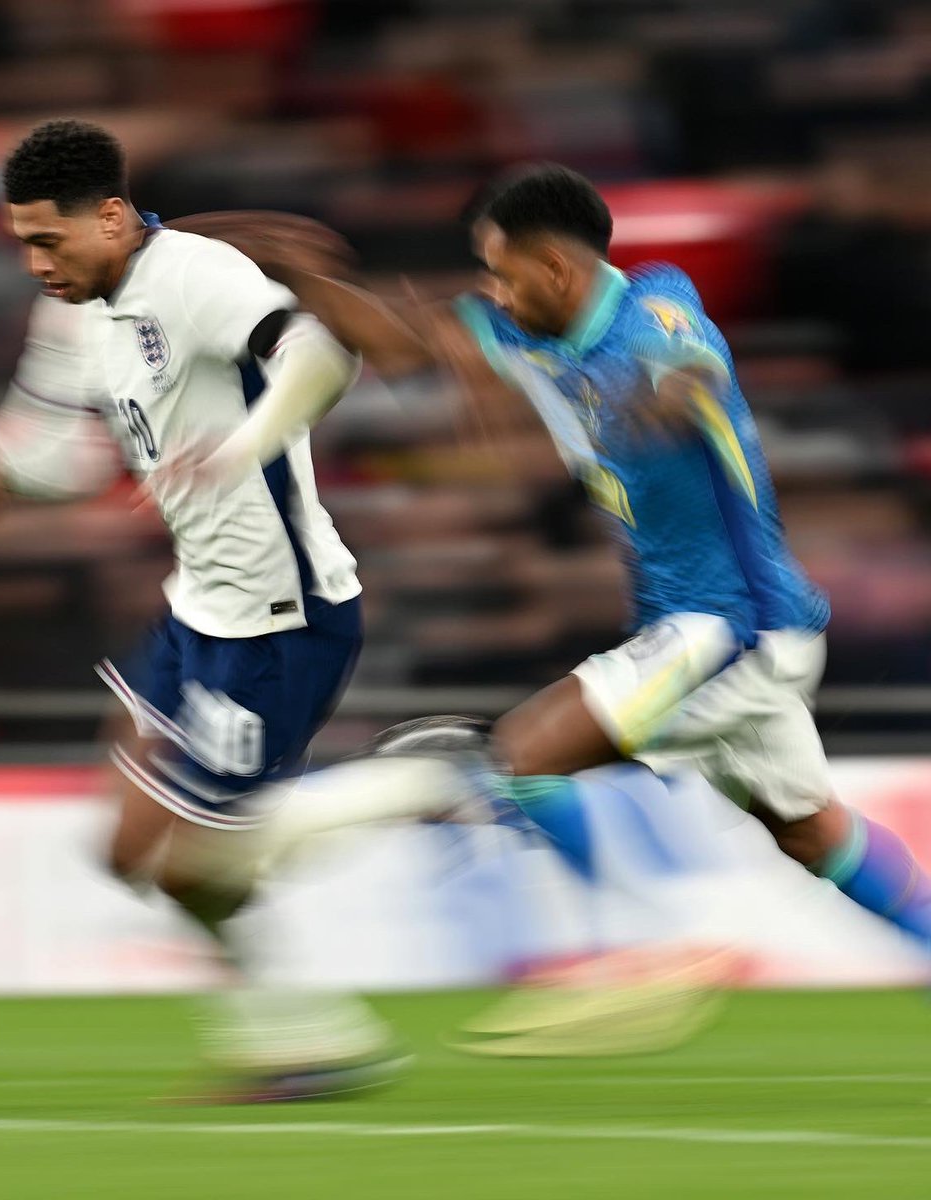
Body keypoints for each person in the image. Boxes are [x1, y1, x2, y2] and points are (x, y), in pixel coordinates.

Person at [180, 163, 931, 964]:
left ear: (555, 268)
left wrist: (663, 399)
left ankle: (644, 943)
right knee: (811, 835)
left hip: (727, 626)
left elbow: (689, 367)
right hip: (730, 630)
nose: (493, 292)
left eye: (501, 274)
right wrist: (306, 278)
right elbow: (405, 344)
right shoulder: (518, 332)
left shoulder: (654, 307)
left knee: (521, 758)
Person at [0, 119, 409, 1099]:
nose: (34, 262)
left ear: (110, 217)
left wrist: (239, 449)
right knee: (129, 850)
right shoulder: (70, 311)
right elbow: (64, 456)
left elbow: (322, 359)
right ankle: (300, 1042)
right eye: (21, 241)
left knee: (192, 864)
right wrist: (1, 465)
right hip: (199, 610)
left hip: (285, 616)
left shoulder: (197, 275)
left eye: (47, 240)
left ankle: (432, 780)